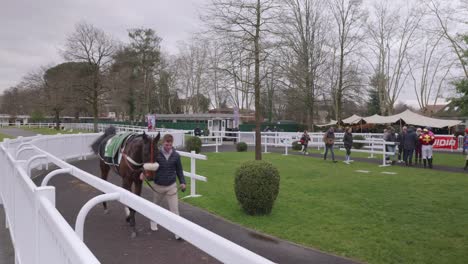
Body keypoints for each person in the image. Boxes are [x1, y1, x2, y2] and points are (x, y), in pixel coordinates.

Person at [141, 134, 186, 239]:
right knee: (155, 206)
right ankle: (153, 221)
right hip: (158, 186)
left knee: (175, 210)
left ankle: (177, 233)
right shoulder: (157, 154)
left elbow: (179, 170)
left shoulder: (176, 156)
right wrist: (143, 173)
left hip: (172, 186)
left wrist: (183, 182)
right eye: (167, 143)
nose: (168, 145)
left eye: (170, 144)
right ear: (163, 143)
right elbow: (149, 165)